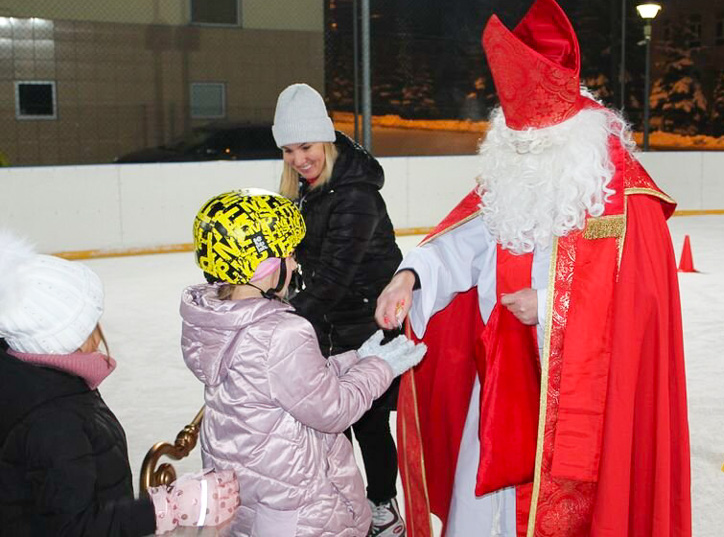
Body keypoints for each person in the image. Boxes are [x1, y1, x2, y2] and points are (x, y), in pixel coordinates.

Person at [375, 0, 691, 537]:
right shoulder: (512, 177)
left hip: (581, 401)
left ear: (564, 133)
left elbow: (639, 302)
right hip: (501, 385)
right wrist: (411, 275)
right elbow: (463, 243)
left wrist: (549, 305)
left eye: (533, 144)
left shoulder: (621, 195)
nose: (522, 151)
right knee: (485, 509)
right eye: (515, 142)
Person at [181, 189, 426, 537]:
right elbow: (334, 410)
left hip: (249, 499)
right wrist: (381, 367)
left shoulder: (214, 320)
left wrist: (358, 358)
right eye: (289, 254)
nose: (295, 264)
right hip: (297, 511)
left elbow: (293, 383)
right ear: (263, 265)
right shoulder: (282, 332)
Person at [0, 230, 239, 536]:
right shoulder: (53, 420)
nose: (99, 333)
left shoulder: (42, 381)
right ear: (62, 338)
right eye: (90, 324)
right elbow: (76, 527)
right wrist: (166, 509)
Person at [272, 83, 407, 536]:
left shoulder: (355, 193)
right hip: (324, 323)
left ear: (326, 140)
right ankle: (345, 505)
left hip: (366, 324)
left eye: (306, 146)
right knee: (330, 427)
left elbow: (335, 275)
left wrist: (278, 324)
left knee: (367, 423)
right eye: (288, 150)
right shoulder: (305, 190)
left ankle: (384, 507)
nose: (297, 159)